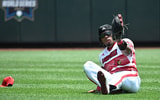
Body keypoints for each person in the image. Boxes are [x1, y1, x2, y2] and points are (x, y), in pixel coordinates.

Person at [83, 14, 141, 94]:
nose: (106, 36)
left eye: (108, 33)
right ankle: (112, 88)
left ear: (113, 33)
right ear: (101, 40)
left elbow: (127, 51)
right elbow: (102, 75)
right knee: (87, 65)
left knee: (120, 75)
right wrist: (99, 88)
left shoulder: (126, 41)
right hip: (114, 78)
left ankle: (110, 87)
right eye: (103, 35)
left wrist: (119, 41)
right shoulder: (102, 56)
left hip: (131, 79)